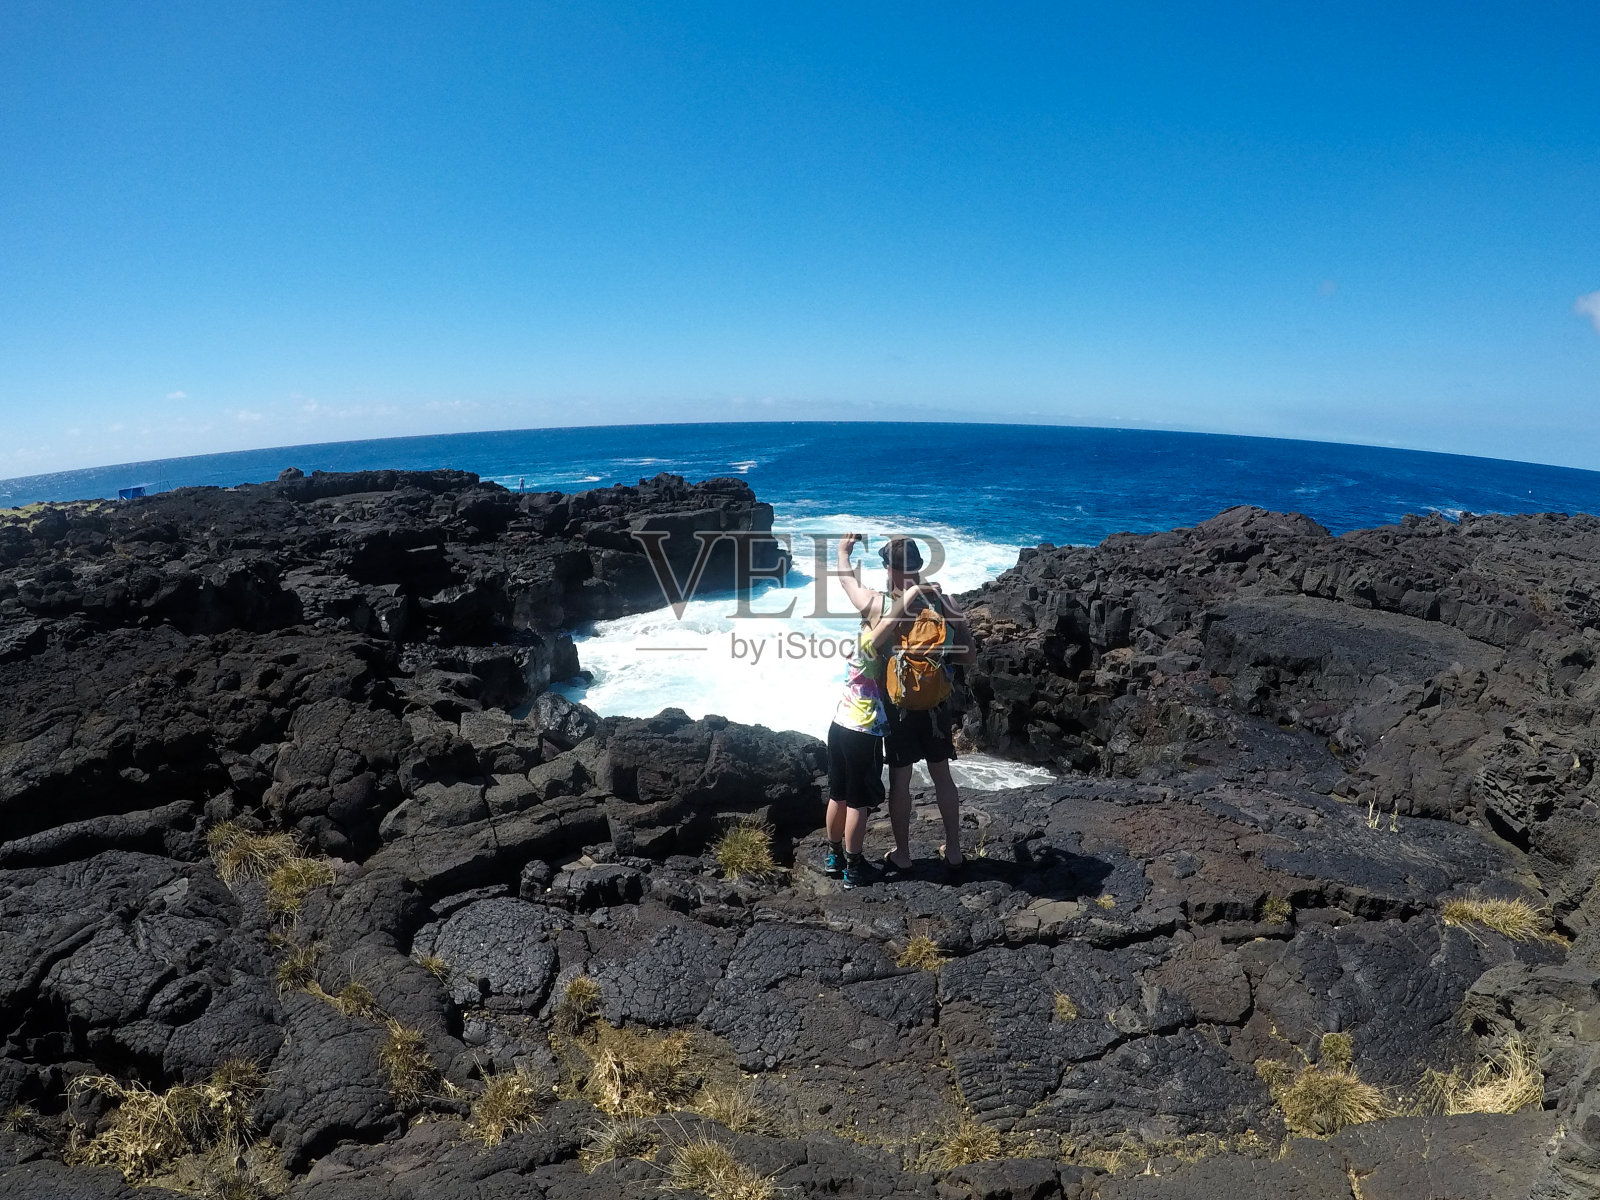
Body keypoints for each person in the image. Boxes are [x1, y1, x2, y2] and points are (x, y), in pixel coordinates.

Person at [823, 532, 924, 888]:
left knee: (836, 793)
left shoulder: (866, 624)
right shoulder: (899, 619)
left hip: (838, 723)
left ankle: (833, 855)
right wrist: (912, 592)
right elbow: (891, 624)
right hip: (866, 729)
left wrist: (842, 552)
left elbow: (850, 584)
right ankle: (853, 866)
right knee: (858, 803)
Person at [877, 536, 977, 879]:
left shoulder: (886, 606)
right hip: (937, 706)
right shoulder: (944, 601)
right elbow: (970, 656)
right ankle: (953, 850)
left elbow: (871, 652)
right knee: (942, 777)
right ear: (920, 566)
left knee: (900, 781)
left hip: (900, 706)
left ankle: (903, 854)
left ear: (890, 569)